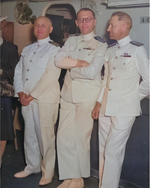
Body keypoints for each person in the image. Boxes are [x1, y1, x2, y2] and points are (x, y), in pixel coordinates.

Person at [92, 11, 149, 188]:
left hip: (125, 109)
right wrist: (99, 102)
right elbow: (106, 80)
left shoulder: (137, 49)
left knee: (112, 151)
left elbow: (148, 80)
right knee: (103, 150)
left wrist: (132, 98)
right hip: (105, 108)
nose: (108, 28)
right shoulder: (110, 50)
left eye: (112, 25)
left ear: (124, 27)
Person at [55, 8, 107, 188]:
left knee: (80, 138)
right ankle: (70, 176)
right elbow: (58, 60)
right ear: (76, 22)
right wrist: (78, 63)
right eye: (81, 20)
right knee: (63, 137)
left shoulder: (102, 44)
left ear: (94, 22)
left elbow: (92, 73)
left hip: (87, 96)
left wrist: (71, 68)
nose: (84, 23)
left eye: (88, 19)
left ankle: (79, 179)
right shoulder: (71, 40)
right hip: (68, 94)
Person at [13, 16, 60, 186]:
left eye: (43, 26)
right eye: (37, 26)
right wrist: (20, 92)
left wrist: (30, 95)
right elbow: (18, 72)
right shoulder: (28, 49)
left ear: (51, 29)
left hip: (44, 100)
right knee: (29, 135)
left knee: (45, 137)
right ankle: (32, 166)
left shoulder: (55, 50)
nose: (39, 29)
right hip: (26, 99)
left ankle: (47, 171)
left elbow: (50, 77)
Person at [0, 16, 19, 165]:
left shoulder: (11, 48)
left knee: (2, 129)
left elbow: (15, 72)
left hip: (3, 94)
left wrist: (0, 71)